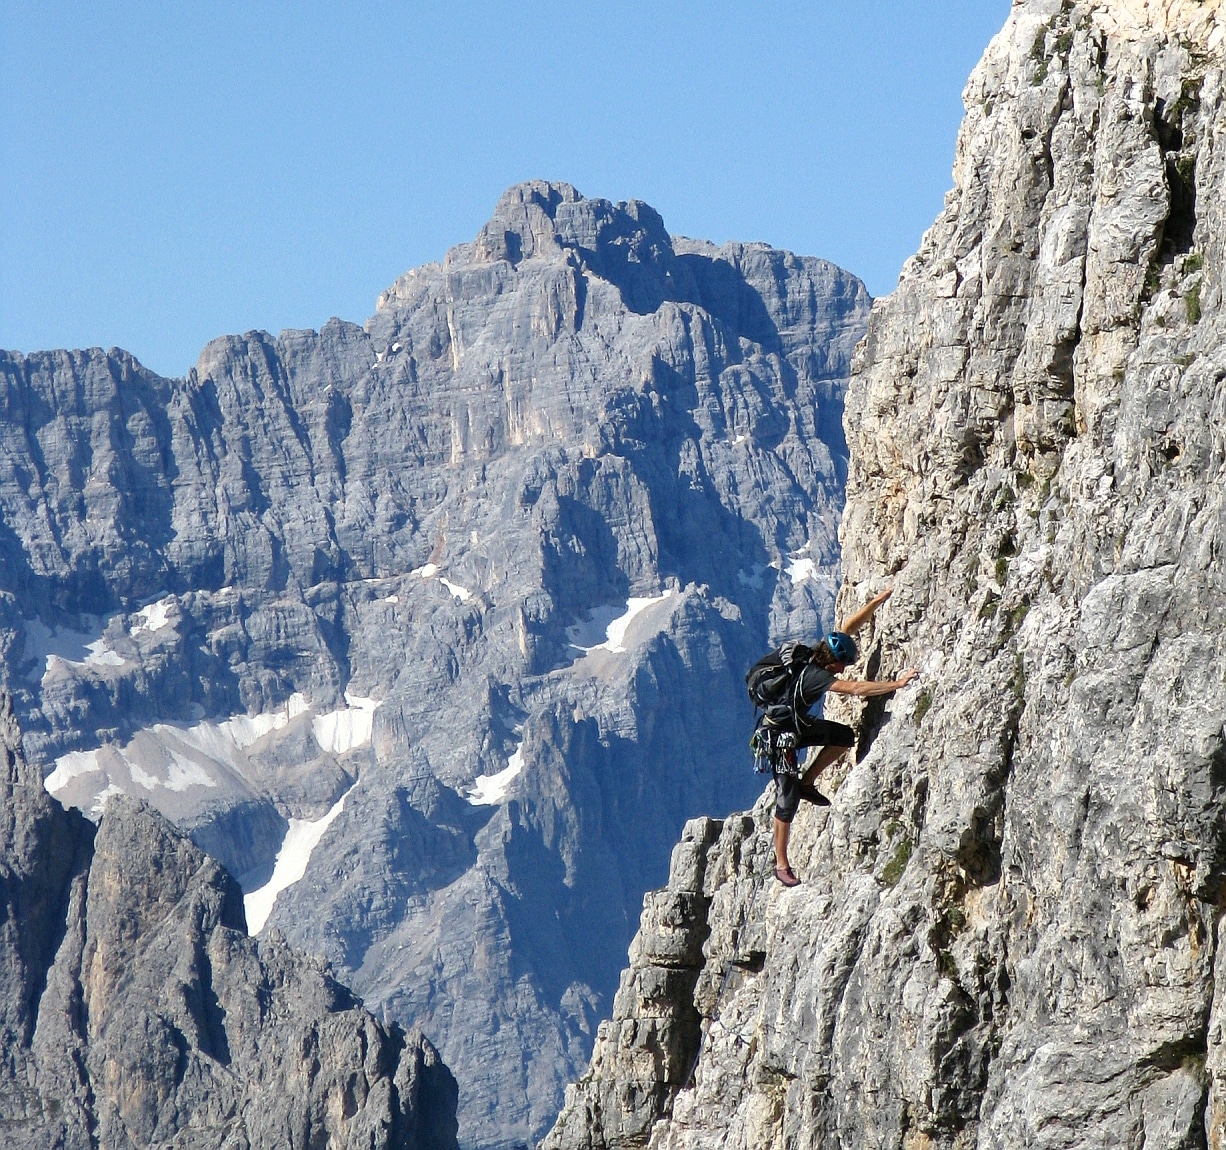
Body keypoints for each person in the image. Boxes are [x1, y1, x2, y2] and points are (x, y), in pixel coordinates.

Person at [771, 587, 918, 887]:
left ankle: (807, 783)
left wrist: (875, 603)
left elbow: (847, 628)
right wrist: (897, 684)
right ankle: (781, 864)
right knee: (785, 800)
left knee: (843, 736)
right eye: (843, 665)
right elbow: (855, 689)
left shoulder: (815, 652)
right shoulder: (819, 676)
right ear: (832, 662)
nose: (844, 669)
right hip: (778, 736)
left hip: (795, 725)